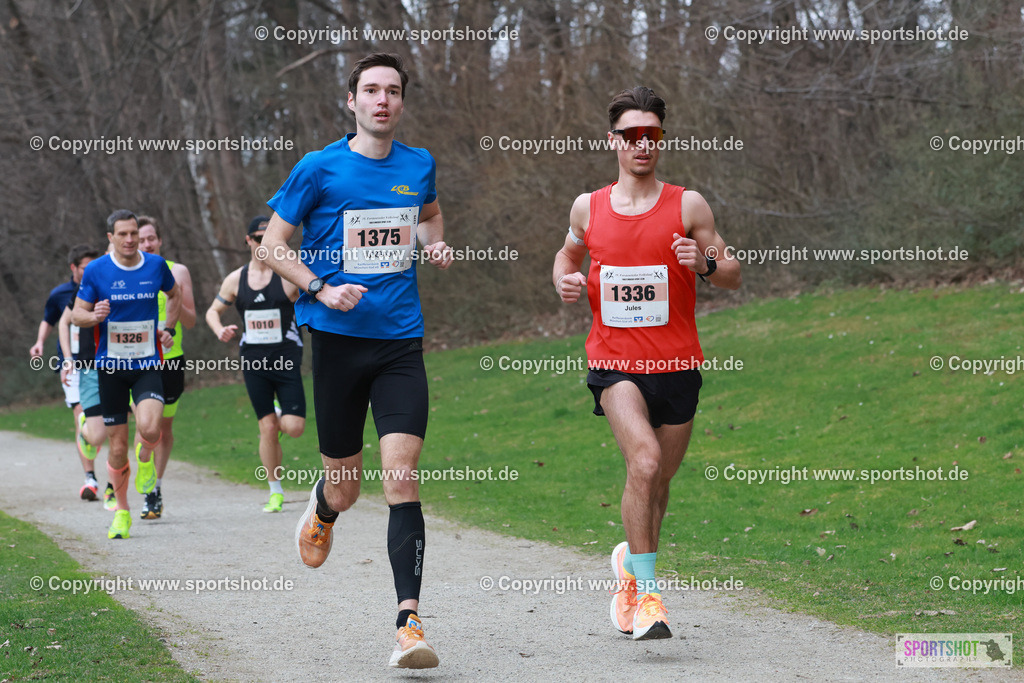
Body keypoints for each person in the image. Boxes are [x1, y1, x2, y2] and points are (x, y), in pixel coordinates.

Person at [261, 52, 452, 669]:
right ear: (352, 101)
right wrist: (319, 288)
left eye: (393, 91)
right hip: (338, 346)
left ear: (402, 102)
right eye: (371, 90)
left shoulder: (417, 164)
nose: (382, 100)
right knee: (346, 489)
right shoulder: (319, 168)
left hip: (400, 344)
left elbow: (428, 214)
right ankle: (322, 508)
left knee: (402, 477)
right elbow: (272, 245)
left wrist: (437, 243)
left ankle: (409, 623)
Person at [552, 86, 741, 640]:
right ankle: (651, 598)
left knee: (658, 488)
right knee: (646, 463)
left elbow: (730, 269)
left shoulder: (688, 205)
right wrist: (563, 278)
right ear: (613, 141)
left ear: (661, 138)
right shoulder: (589, 206)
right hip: (615, 366)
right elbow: (568, 253)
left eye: (651, 134)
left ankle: (630, 570)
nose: (642, 144)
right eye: (631, 135)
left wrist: (702, 261)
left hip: (678, 367)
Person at [72, 210, 181, 540]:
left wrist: (168, 329)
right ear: (111, 238)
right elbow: (77, 314)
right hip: (111, 369)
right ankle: (121, 511)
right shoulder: (97, 270)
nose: (131, 239)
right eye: (123, 234)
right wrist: (93, 315)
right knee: (117, 447)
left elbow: (174, 295)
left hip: (147, 363)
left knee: (150, 428)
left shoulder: (155, 266)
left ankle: (145, 458)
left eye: (134, 233)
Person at [206, 215, 306, 513]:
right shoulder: (236, 279)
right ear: (249, 241)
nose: (264, 244)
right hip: (254, 361)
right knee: (266, 428)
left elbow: (313, 297)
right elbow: (213, 311)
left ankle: (278, 413)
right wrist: (219, 329)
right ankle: (275, 491)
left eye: (270, 238)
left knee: (294, 427)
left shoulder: (289, 275)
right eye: (259, 239)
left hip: (287, 358)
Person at [132, 215, 196, 519]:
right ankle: (146, 489)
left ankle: (156, 485)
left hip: (171, 360)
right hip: (137, 361)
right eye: (141, 239)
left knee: (163, 428)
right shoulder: (128, 271)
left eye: (151, 238)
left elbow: (192, 321)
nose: (147, 244)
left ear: (160, 240)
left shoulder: (178, 271)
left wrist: (176, 296)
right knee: (146, 426)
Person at [35, 245, 103, 499]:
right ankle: (90, 478)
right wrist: (42, 343)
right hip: (74, 363)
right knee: (80, 413)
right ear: (73, 267)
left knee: (107, 424)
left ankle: (113, 475)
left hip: (103, 361)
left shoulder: (101, 286)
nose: (90, 271)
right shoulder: (60, 294)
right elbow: (50, 320)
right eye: (86, 267)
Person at [56, 251, 112, 508]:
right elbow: (63, 322)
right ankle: (91, 472)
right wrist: (68, 358)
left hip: (125, 364)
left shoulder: (135, 284)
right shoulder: (89, 287)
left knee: (134, 418)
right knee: (97, 436)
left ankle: (115, 484)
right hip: (90, 365)